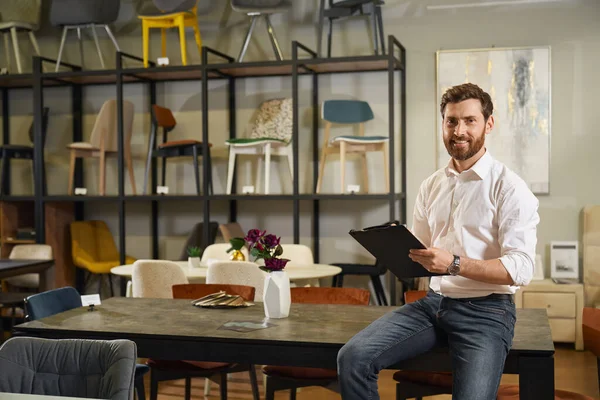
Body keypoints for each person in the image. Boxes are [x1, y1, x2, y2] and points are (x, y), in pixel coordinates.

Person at [337, 83, 540, 400]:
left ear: (488, 124)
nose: (459, 131)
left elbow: (521, 269)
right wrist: (394, 248)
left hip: (487, 313)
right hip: (433, 305)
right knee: (352, 358)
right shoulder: (431, 185)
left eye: (469, 121)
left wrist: (454, 264)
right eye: (451, 121)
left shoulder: (510, 188)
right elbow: (421, 251)